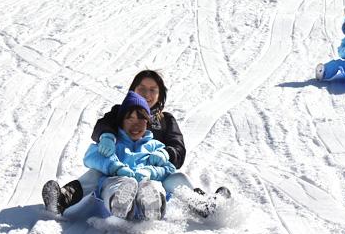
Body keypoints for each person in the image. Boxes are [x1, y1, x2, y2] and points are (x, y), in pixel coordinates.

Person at [43, 71, 228, 218]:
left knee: (177, 178)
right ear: (133, 89)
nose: (147, 94)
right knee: (96, 173)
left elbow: (178, 147)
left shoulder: (165, 120)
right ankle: (63, 199)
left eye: (153, 89)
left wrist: (166, 154)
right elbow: (103, 125)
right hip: (119, 167)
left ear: (160, 93)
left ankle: (204, 206)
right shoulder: (121, 111)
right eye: (142, 88)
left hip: (153, 172)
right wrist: (107, 135)